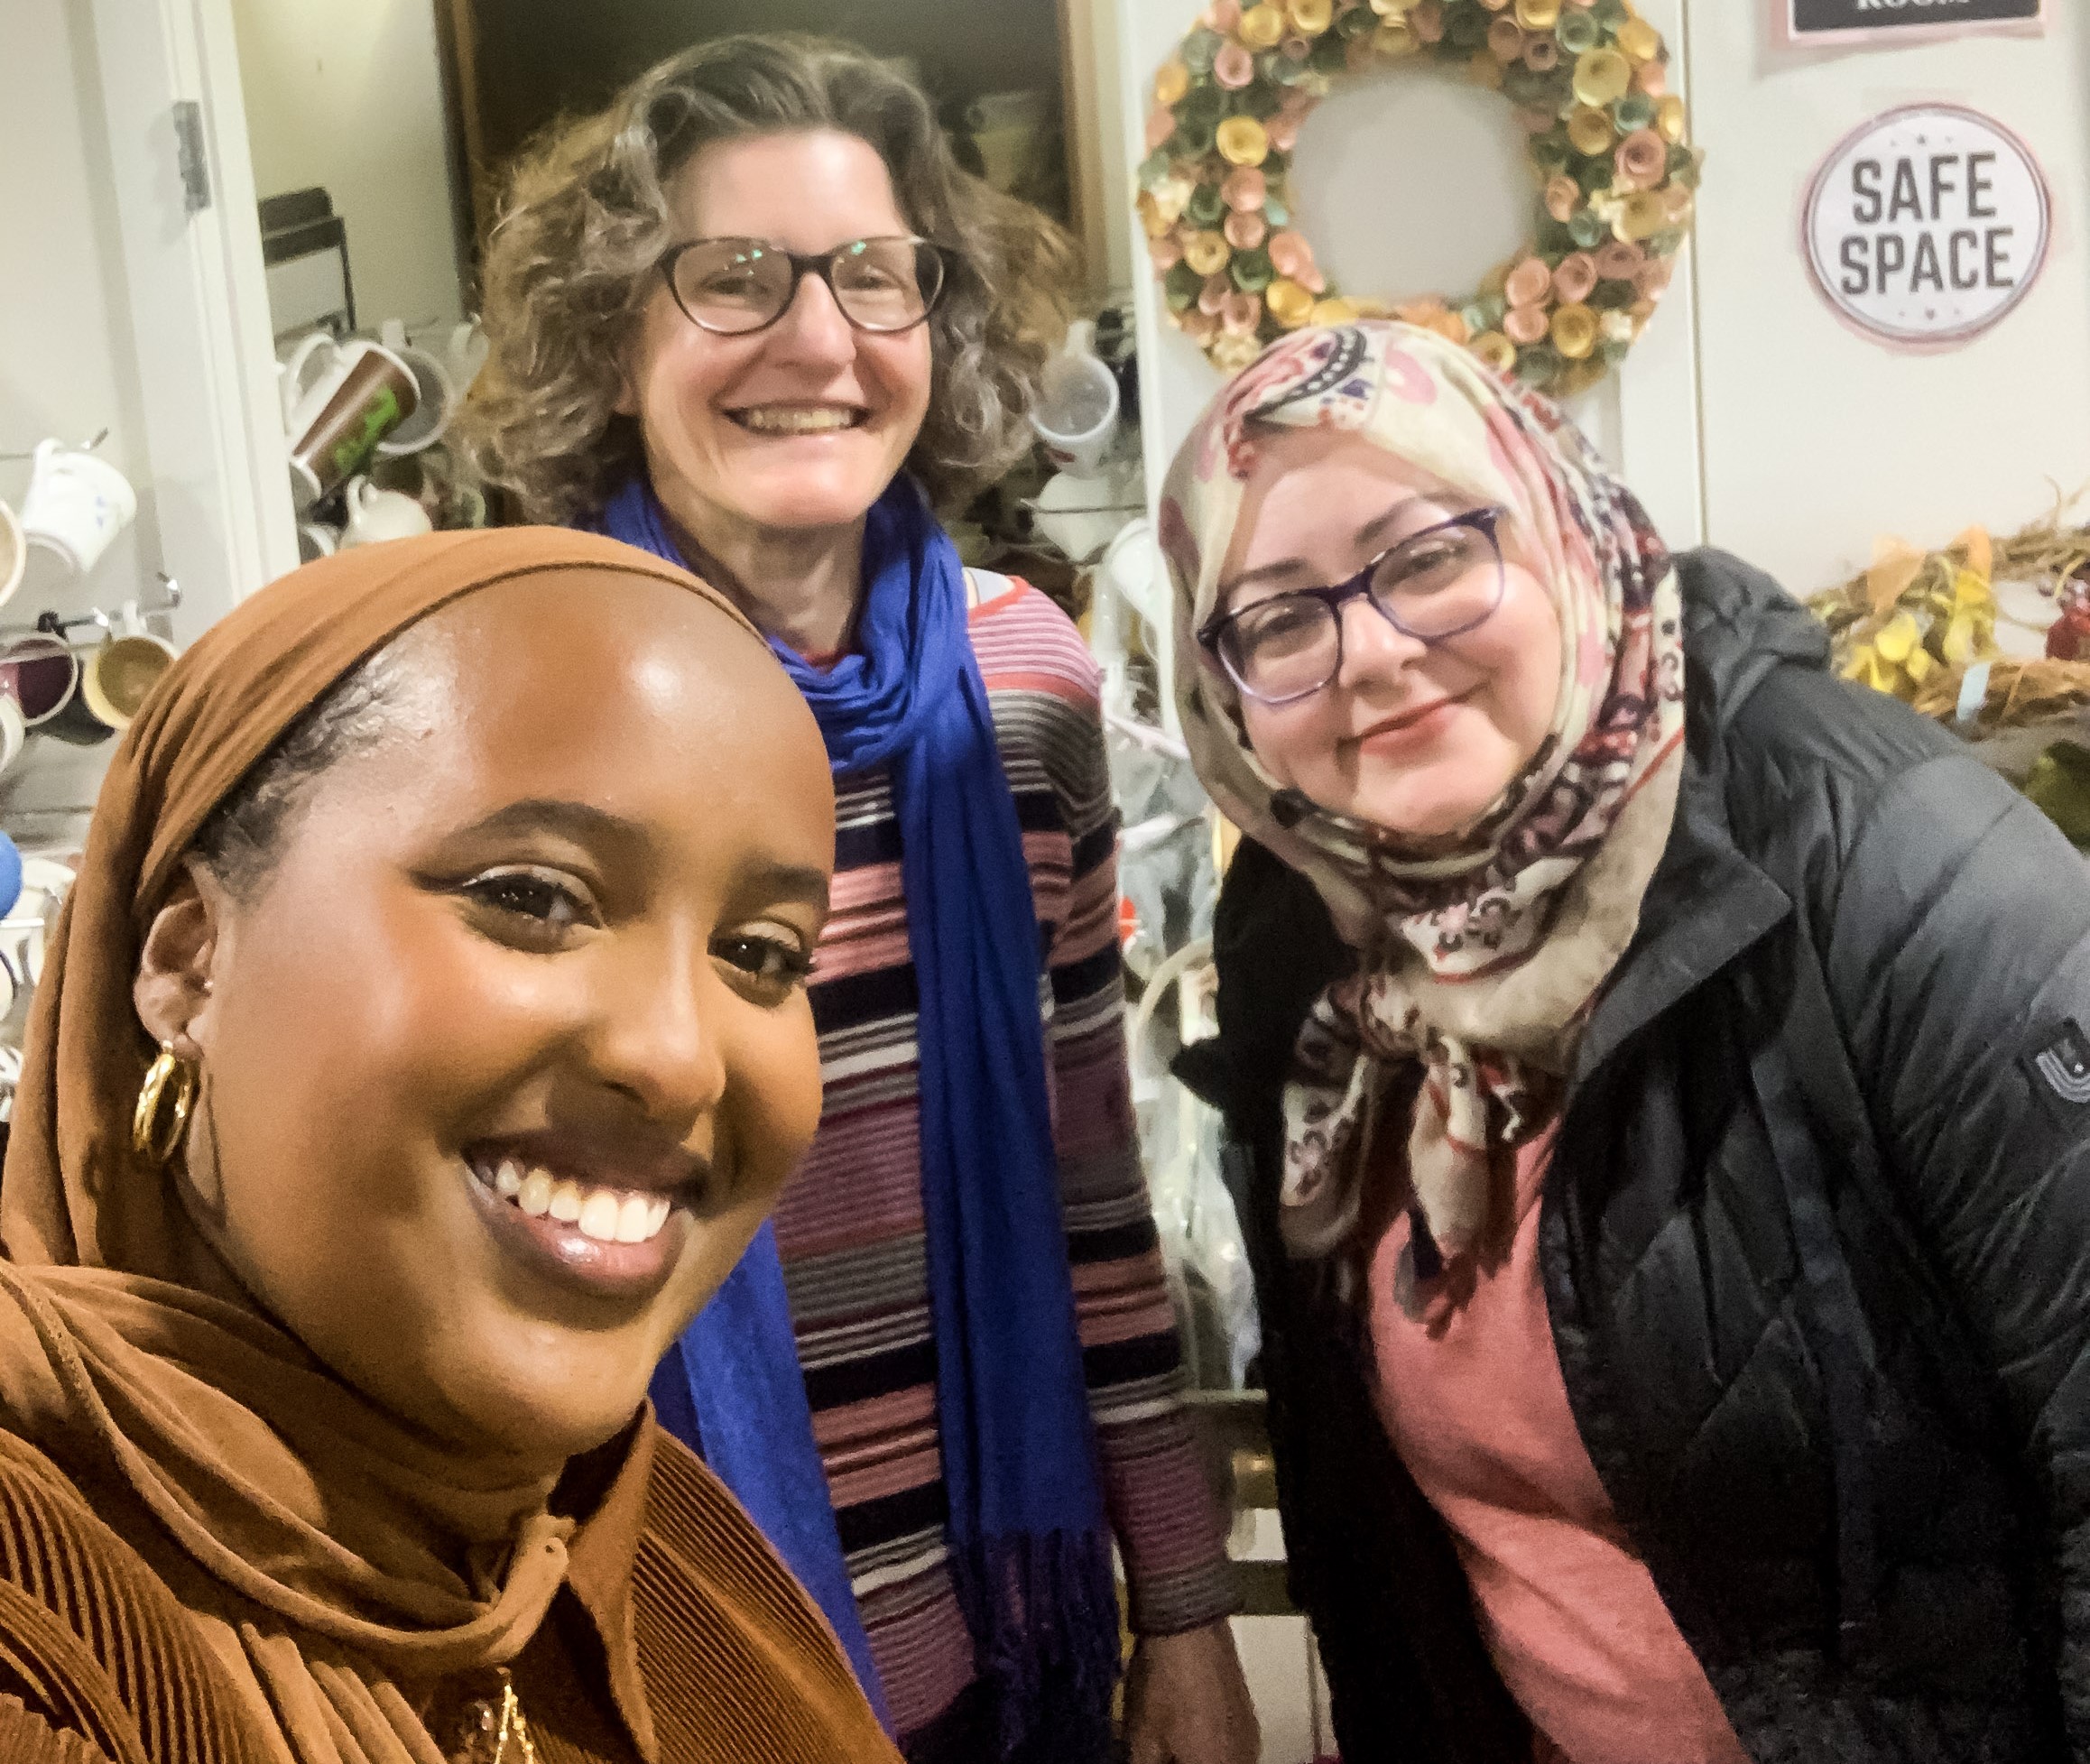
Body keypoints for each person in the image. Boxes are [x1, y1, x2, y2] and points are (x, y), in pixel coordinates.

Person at [463, 34, 1253, 1764]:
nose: (813, 341)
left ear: (936, 330)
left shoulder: (1025, 681)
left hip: (993, 1644)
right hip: (639, 1657)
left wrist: (1186, 1608)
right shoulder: (497, 701)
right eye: (730, 278)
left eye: (871, 278)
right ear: (614, 337)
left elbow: (1090, 1180)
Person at [1161, 319, 2090, 1763]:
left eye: (1428, 556)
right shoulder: (1306, 929)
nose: (1374, 654)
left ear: (1563, 527)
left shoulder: (1886, 858)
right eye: (1279, 619)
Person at [0, 528, 898, 1763]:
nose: (682, 1058)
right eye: (532, 896)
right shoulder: (44, 1621)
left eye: (759, 955)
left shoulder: (630, 1540)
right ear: (188, 960)